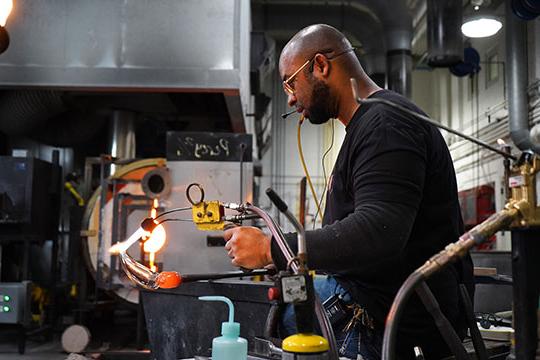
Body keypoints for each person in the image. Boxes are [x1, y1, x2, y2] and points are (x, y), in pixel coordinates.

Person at [224, 24, 473, 360]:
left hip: (386, 318)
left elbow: (378, 231)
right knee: (274, 303)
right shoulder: (370, 124)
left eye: (290, 82)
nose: (290, 97)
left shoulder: (385, 124)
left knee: (244, 318)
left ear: (321, 66)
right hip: (381, 304)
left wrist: (273, 249)